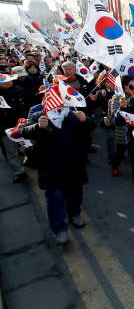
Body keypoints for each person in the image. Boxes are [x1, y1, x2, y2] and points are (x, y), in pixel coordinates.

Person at [22, 101, 96, 245]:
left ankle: (74, 214)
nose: (60, 104)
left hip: (74, 164)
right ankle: (60, 229)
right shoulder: (39, 115)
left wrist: (86, 120)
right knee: (56, 196)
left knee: (76, 191)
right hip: (51, 165)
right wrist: (37, 127)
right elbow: (25, 132)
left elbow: (90, 127)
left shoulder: (73, 115)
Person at [0, 71, 30, 183]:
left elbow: (29, 105)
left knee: (30, 147)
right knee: (12, 153)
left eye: (9, 79)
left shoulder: (20, 90)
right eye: (3, 80)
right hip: (6, 129)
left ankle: (33, 162)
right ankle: (19, 172)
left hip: (24, 126)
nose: (7, 82)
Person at [89, 73, 116, 164]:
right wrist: (94, 100)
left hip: (120, 117)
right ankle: (110, 155)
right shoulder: (101, 94)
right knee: (111, 137)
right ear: (103, 83)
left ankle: (120, 152)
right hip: (108, 119)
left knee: (120, 137)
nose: (111, 83)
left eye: (112, 81)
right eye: (108, 82)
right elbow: (94, 107)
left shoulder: (119, 91)